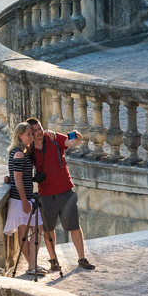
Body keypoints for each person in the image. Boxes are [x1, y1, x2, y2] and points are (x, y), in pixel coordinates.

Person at [25, 116, 95, 271]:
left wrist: (76, 134)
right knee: (49, 229)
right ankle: (53, 261)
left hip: (65, 190)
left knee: (74, 226)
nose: (38, 132)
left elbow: (76, 140)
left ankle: (82, 258)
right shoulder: (29, 150)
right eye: (35, 130)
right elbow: (20, 168)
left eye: (40, 128)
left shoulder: (53, 138)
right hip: (46, 193)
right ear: (30, 132)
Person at [4, 123, 43, 277]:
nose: (31, 137)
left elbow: (17, 177)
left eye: (31, 134)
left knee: (37, 229)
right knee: (25, 233)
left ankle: (32, 265)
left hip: (24, 198)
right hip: (20, 200)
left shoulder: (21, 152)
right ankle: (32, 266)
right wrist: (25, 201)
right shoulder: (19, 154)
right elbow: (18, 179)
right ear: (20, 135)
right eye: (28, 134)